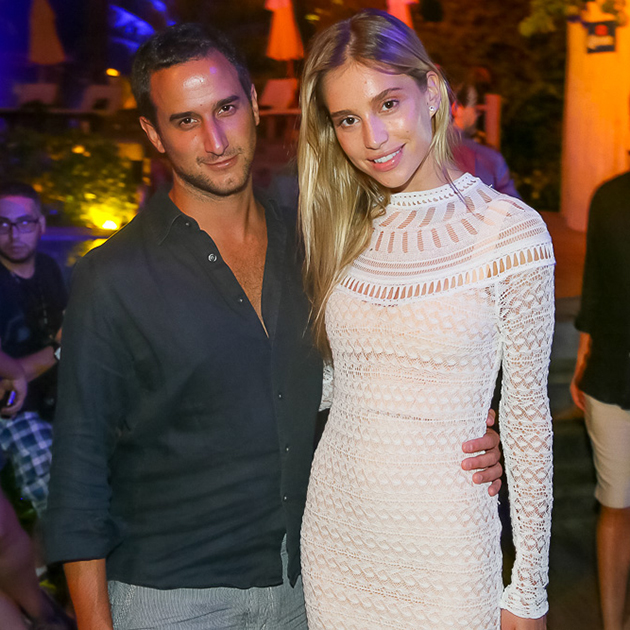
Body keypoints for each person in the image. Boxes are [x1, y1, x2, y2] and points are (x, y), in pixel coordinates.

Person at [44, 23, 503, 630]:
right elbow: (77, 474)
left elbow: (370, 377)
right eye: (185, 121)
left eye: (226, 108)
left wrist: (459, 434)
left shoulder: (317, 247)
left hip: (309, 587)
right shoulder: (113, 278)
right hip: (171, 599)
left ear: (255, 104)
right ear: (154, 134)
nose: (215, 140)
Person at [297, 10, 554, 630]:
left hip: (446, 545)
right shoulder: (341, 228)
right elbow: (334, 387)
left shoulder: (510, 234)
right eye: (347, 119)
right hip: (336, 535)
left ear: (432, 91)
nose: (372, 137)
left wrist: (529, 592)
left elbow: (527, 417)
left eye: (388, 103)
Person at [571, 169, 630, 630]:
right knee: (616, 502)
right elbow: (595, 286)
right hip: (612, 373)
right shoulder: (611, 197)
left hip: (611, 368)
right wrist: (583, 358)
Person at [0, 182, 66, 517]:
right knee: (50, 485)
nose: (14, 235)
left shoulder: (49, 268)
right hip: (16, 410)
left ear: (41, 225)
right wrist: (60, 349)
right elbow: (11, 378)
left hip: (57, 397)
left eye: (24, 223)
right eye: (3, 224)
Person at [451, 84, 521, 198]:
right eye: (475, 110)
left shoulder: (426, 148)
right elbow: (513, 202)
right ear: (456, 108)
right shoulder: (486, 156)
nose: (477, 116)